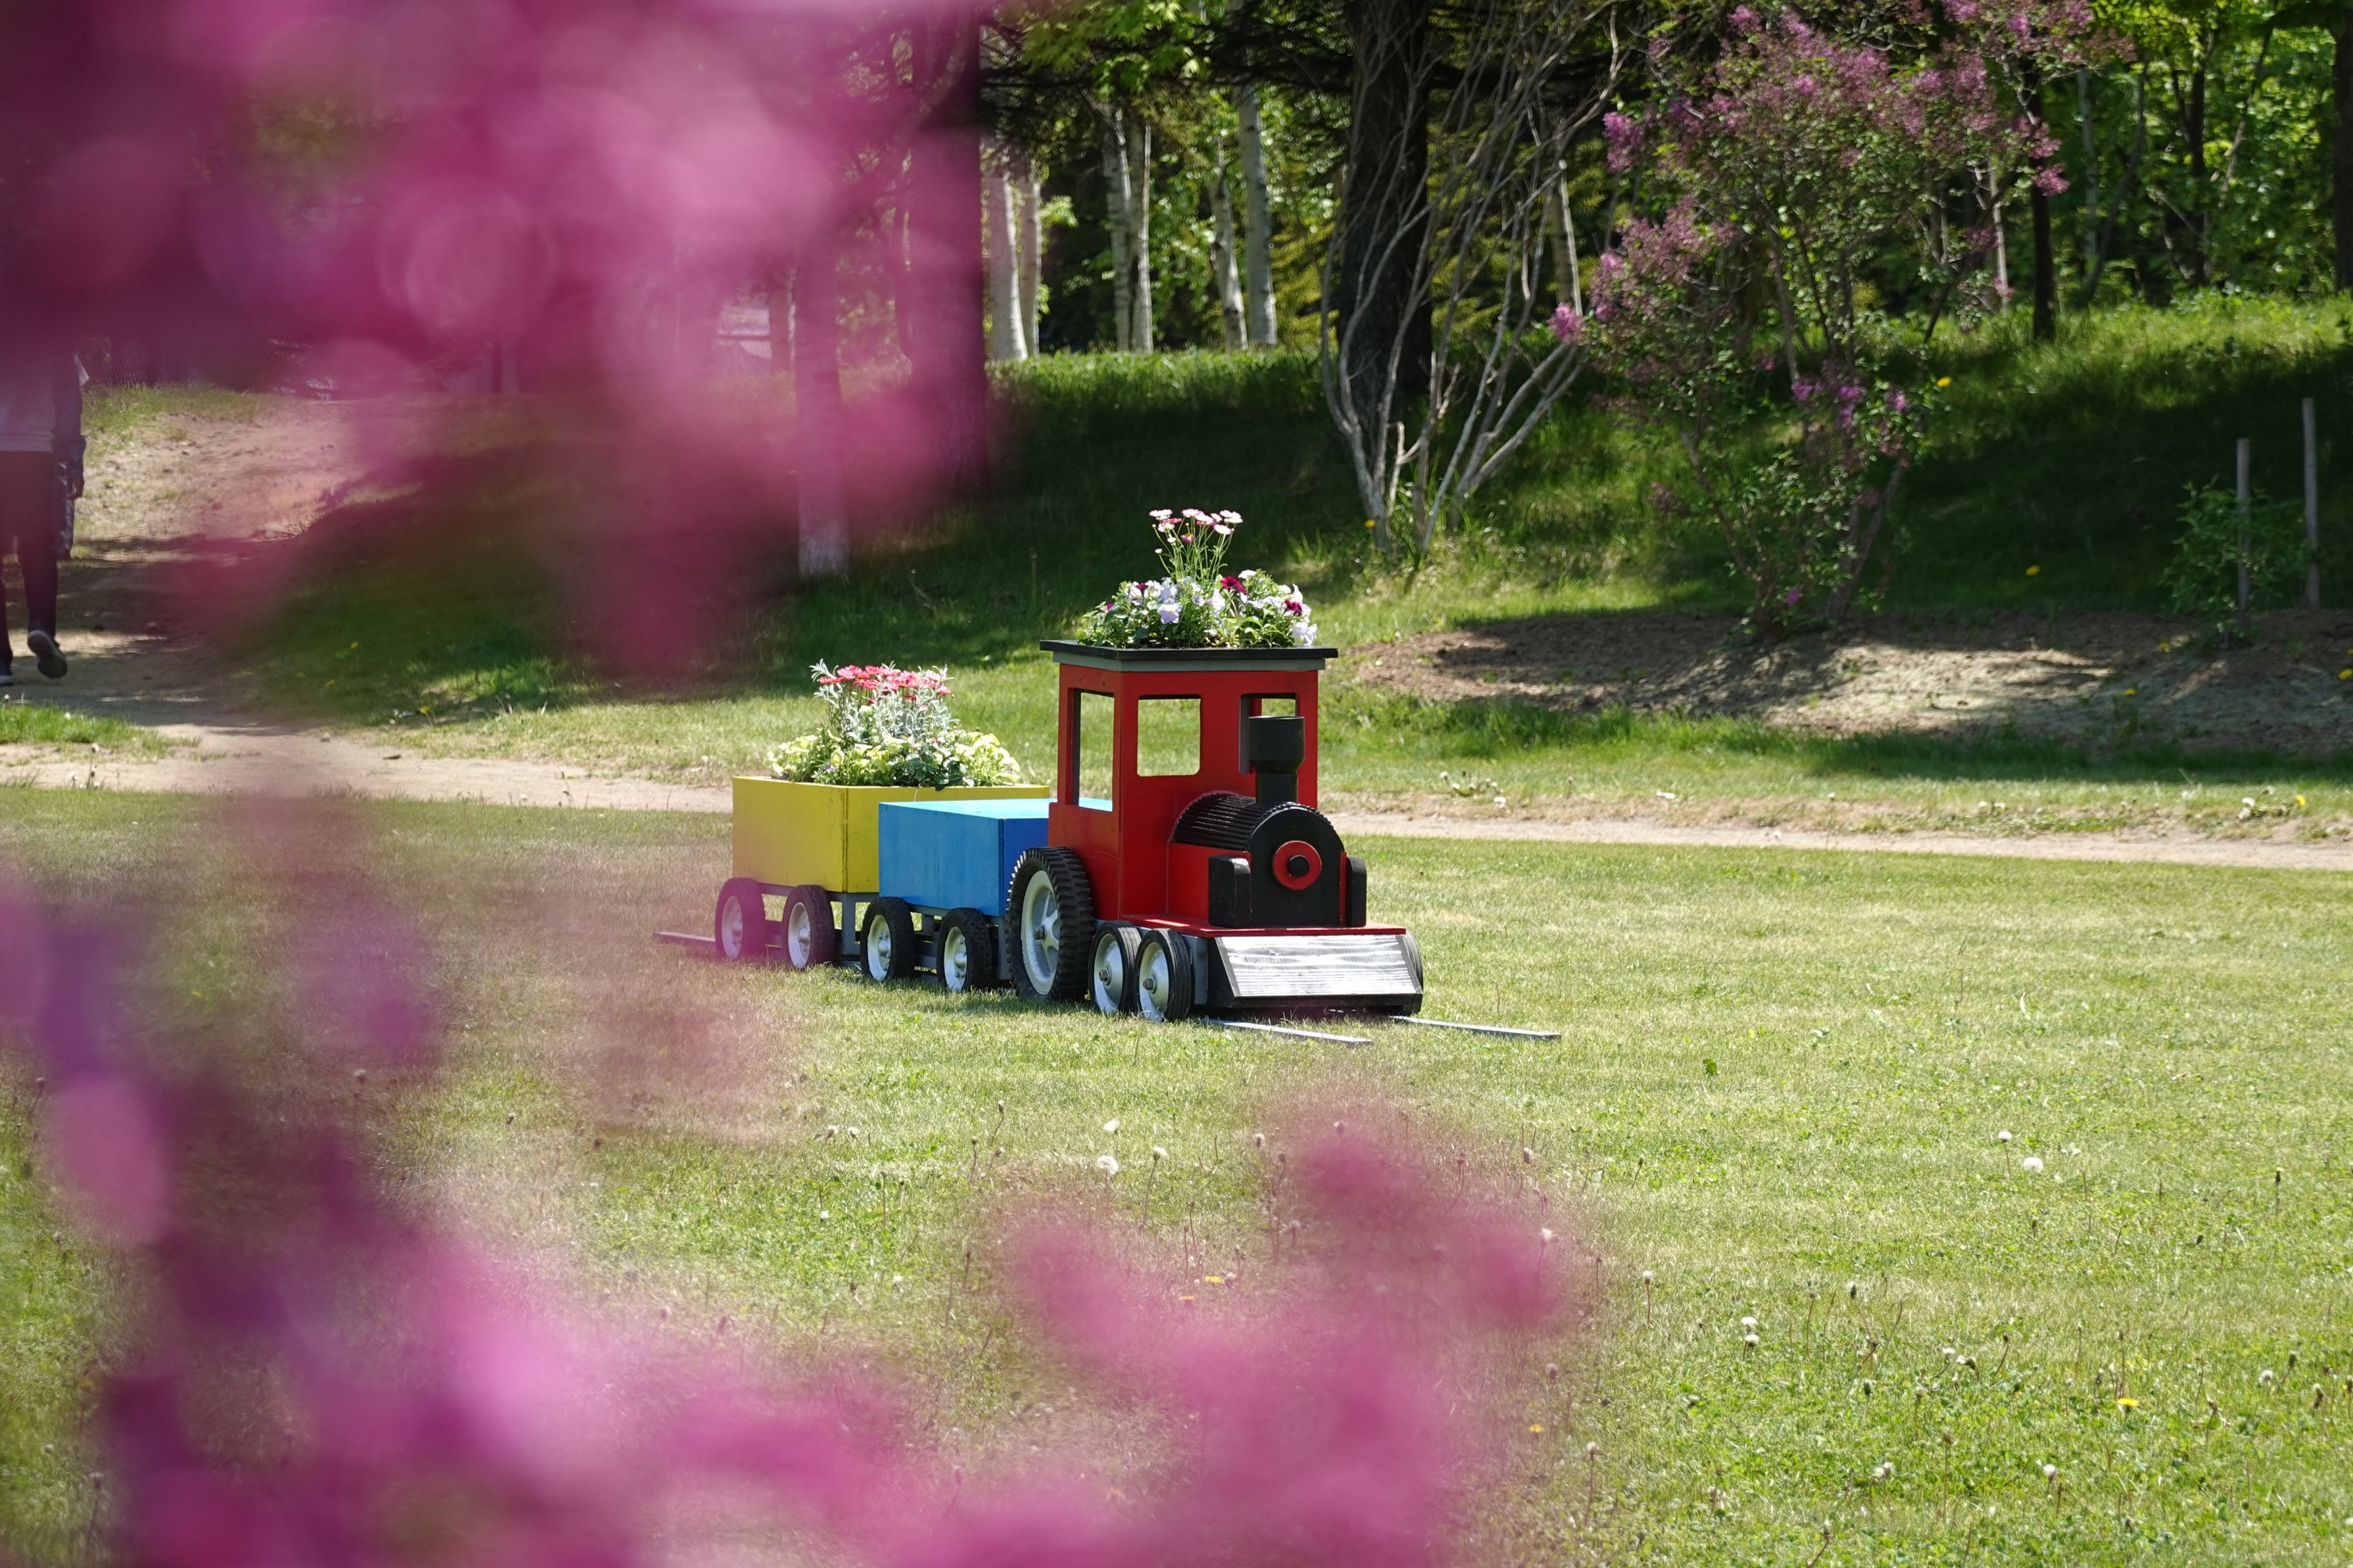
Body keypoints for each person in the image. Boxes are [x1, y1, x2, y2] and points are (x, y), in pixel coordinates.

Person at [0, 323, 82, 687]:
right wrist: (74, 463)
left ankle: (0, 663)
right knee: (37, 550)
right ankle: (42, 627)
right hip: (36, 454)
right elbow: (69, 405)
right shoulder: (53, 331)